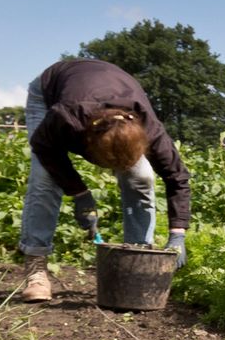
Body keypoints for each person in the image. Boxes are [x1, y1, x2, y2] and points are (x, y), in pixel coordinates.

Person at [18, 57, 192, 302]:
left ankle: (138, 260)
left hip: (112, 86)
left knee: (141, 176)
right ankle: (36, 269)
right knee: (45, 178)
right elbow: (44, 148)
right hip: (50, 91)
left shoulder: (149, 127)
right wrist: (79, 192)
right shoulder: (67, 117)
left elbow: (177, 177)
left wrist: (178, 233)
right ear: (88, 146)